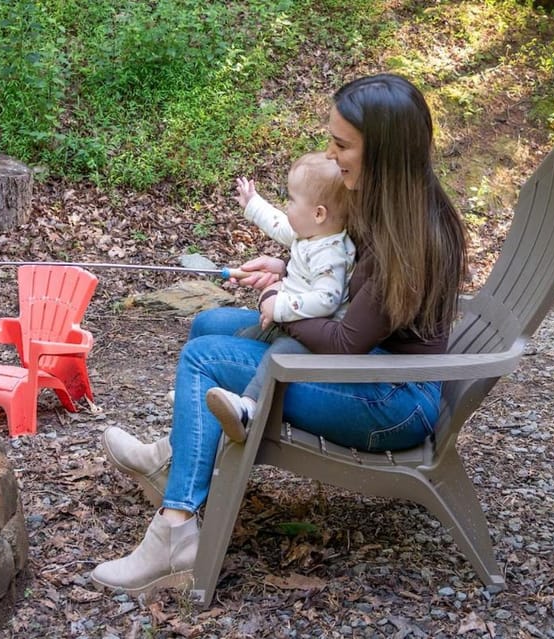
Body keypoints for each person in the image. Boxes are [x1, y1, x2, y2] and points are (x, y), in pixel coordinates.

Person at [92, 73, 468, 597]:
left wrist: (283, 307)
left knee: (204, 357)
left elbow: (345, 342)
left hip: (390, 400)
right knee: (208, 324)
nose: (331, 155)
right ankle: (178, 462)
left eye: (342, 145)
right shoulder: (390, 205)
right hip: (370, 368)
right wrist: (289, 269)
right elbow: (342, 281)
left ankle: (174, 532)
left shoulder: (412, 239)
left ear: (382, 151)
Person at [207, 152, 355, 442]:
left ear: (318, 213)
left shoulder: (331, 253)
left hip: (311, 339)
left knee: (277, 357)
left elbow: (327, 300)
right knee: (245, 337)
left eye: (292, 200)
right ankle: (208, 393)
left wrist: (279, 306)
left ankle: (247, 408)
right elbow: (278, 223)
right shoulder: (309, 234)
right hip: (290, 323)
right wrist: (253, 204)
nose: (287, 207)